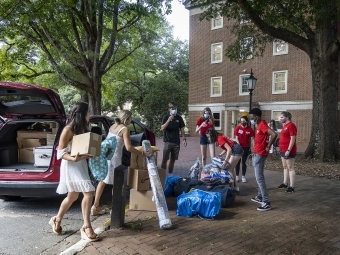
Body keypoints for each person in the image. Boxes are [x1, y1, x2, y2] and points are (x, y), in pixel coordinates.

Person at [49, 102, 99, 241]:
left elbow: (81, 149)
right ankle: (86, 226)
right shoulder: (68, 129)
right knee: (89, 192)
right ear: (82, 114)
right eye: (88, 112)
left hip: (80, 163)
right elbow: (60, 153)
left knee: (72, 197)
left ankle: (57, 220)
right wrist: (73, 158)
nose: (89, 115)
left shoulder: (83, 128)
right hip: (71, 166)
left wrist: (89, 153)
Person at [92, 110, 153, 215]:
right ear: (126, 118)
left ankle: (95, 206)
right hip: (115, 159)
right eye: (130, 118)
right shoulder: (124, 129)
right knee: (117, 184)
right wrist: (142, 153)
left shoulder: (112, 127)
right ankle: (115, 209)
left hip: (106, 156)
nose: (131, 120)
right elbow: (129, 147)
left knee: (102, 182)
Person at [249, 108, 277, 211]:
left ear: (257, 117)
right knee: (258, 177)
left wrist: (268, 146)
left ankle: (266, 202)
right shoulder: (258, 125)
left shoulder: (262, 125)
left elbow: (274, 134)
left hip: (260, 154)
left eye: (252, 118)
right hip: (257, 153)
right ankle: (260, 196)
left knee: (259, 178)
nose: (251, 120)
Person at [161, 102, 187, 176]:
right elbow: (162, 128)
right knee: (164, 159)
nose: (174, 110)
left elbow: (182, 129)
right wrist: (169, 120)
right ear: (169, 109)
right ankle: (162, 175)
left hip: (176, 142)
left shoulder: (179, 118)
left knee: (172, 160)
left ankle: (170, 175)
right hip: (167, 142)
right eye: (173, 108)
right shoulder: (165, 117)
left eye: (175, 108)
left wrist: (184, 139)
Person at [277, 111, 297, 193]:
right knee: (285, 167)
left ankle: (292, 186)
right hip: (282, 149)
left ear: (287, 117)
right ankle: (285, 183)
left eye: (282, 117)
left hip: (289, 150)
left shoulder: (291, 125)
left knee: (290, 168)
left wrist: (288, 150)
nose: (280, 119)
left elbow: (293, 138)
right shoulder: (285, 125)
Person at [234, 116, 255, 183]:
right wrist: (239, 145)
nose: (242, 122)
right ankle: (237, 176)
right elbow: (236, 138)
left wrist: (253, 148)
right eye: (241, 121)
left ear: (246, 121)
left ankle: (243, 176)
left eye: (244, 121)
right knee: (237, 162)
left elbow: (252, 139)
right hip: (239, 147)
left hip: (246, 147)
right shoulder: (238, 128)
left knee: (244, 162)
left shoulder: (250, 129)